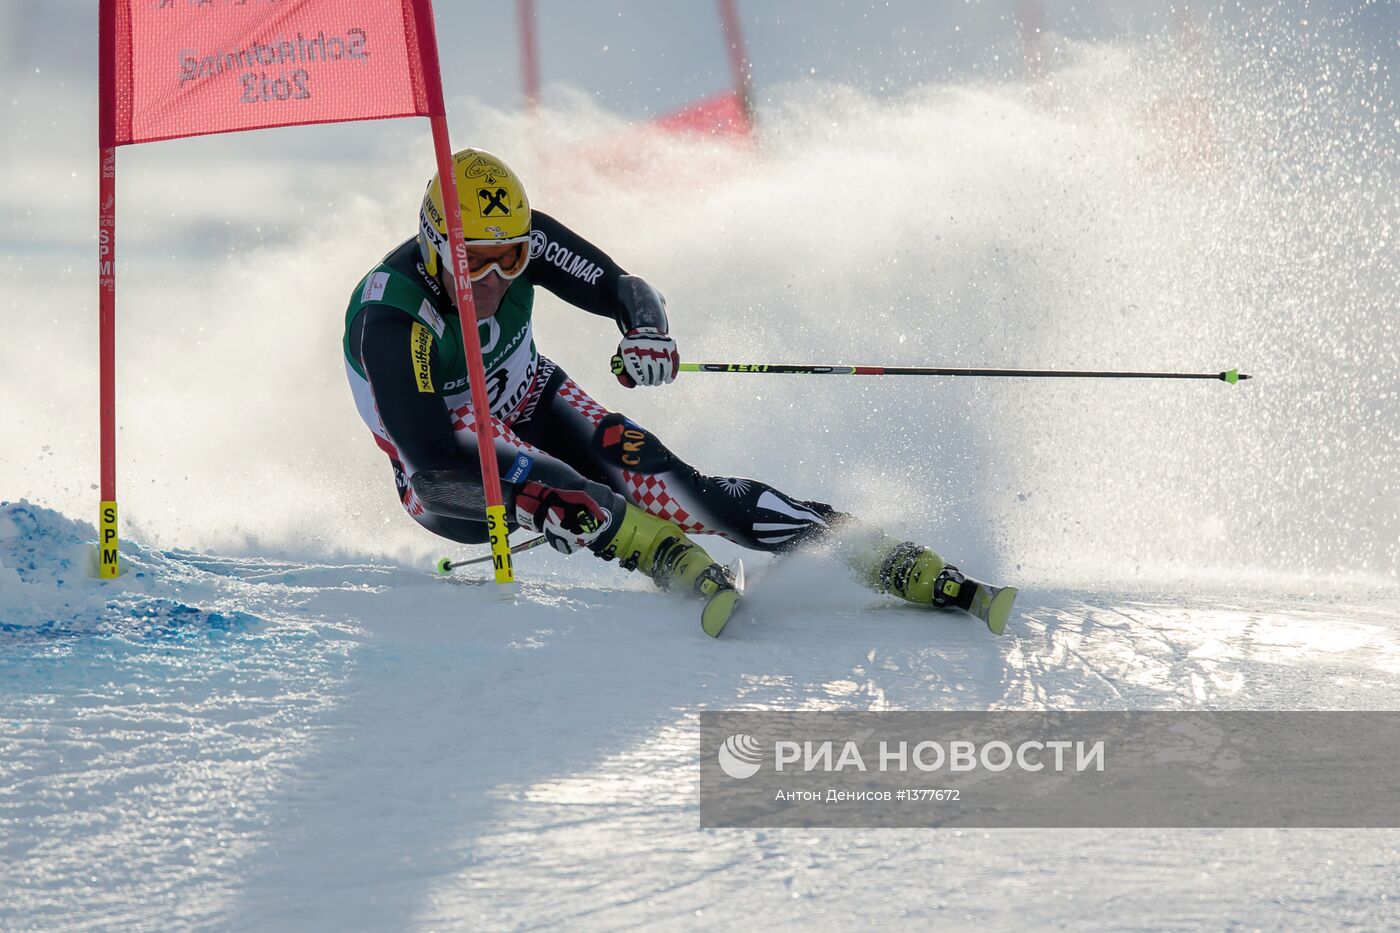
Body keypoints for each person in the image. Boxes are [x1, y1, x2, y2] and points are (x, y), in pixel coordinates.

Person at [342, 148, 1013, 633]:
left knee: (670, 482)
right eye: (473, 261)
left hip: (533, 396)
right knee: (550, 480)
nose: (493, 278)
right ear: (435, 246)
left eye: (510, 259)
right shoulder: (394, 316)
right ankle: (661, 554)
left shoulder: (525, 238)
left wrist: (647, 333)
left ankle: (869, 549)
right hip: (447, 471)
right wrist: (538, 504)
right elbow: (431, 469)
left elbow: (624, 289)